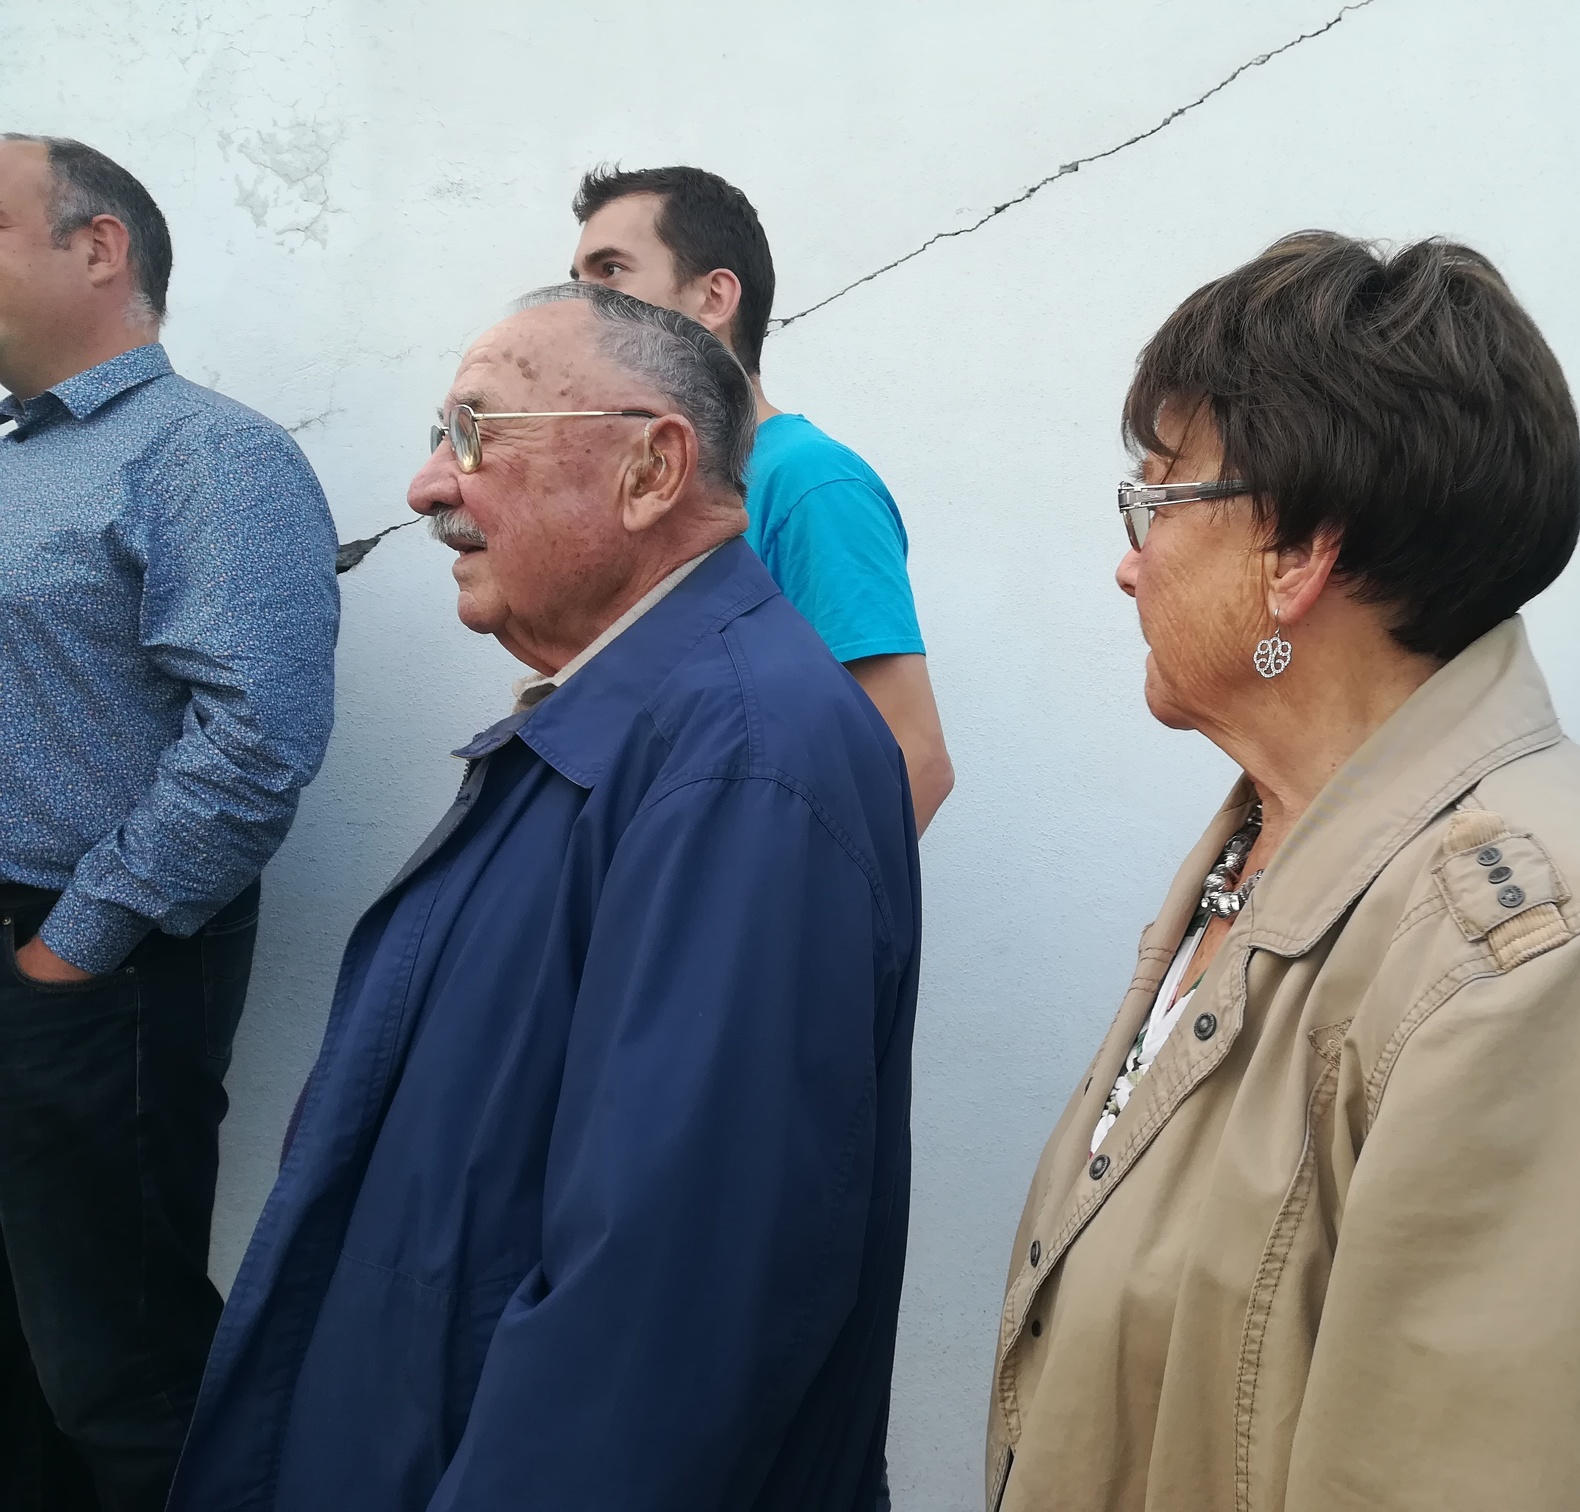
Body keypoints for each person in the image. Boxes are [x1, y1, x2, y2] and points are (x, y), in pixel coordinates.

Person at [986, 233, 1580, 1512]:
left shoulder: (1549, 957)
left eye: (1158, 499)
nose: (1130, 556)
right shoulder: (1281, 840)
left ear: (1299, 554)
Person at [168, 284, 920, 1512]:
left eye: (474, 432)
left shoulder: (745, 759)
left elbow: (664, 1313)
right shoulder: (632, 722)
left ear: (650, 470)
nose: (426, 485)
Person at [0, 135, 338, 1512]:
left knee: (120, 1378)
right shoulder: (20, 462)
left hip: (93, 965)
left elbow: (256, 743)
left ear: (99, 248)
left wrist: (71, 953)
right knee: (20, 1378)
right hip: (43, 958)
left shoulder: (211, 454)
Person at [568, 164, 954, 829]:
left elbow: (912, 757)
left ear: (714, 297)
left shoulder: (809, 482)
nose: (578, 306)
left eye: (611, 271)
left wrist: (757, 895)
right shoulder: (642, 491)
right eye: (576, 281)